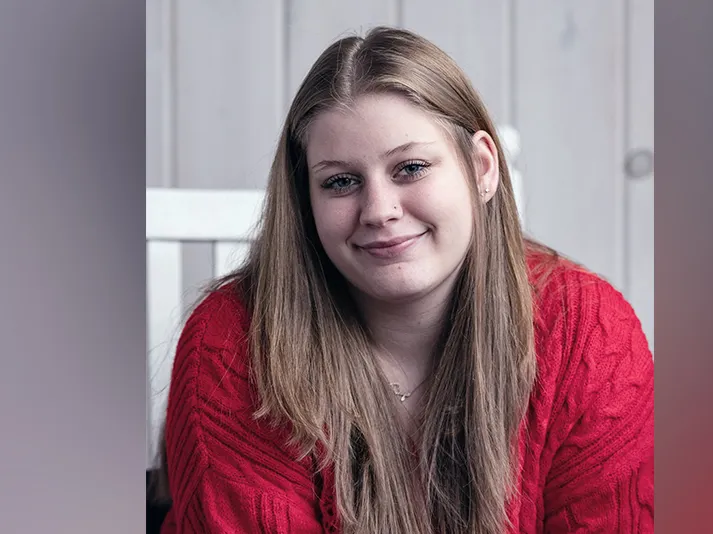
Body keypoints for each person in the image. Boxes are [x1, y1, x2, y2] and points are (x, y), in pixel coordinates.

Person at [153, 26, 654, 534]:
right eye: (340, 182)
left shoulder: (587, 333)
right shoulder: (235, 343)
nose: (379, 210)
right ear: (306, 200)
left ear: (482, 168)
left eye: (410, 168)